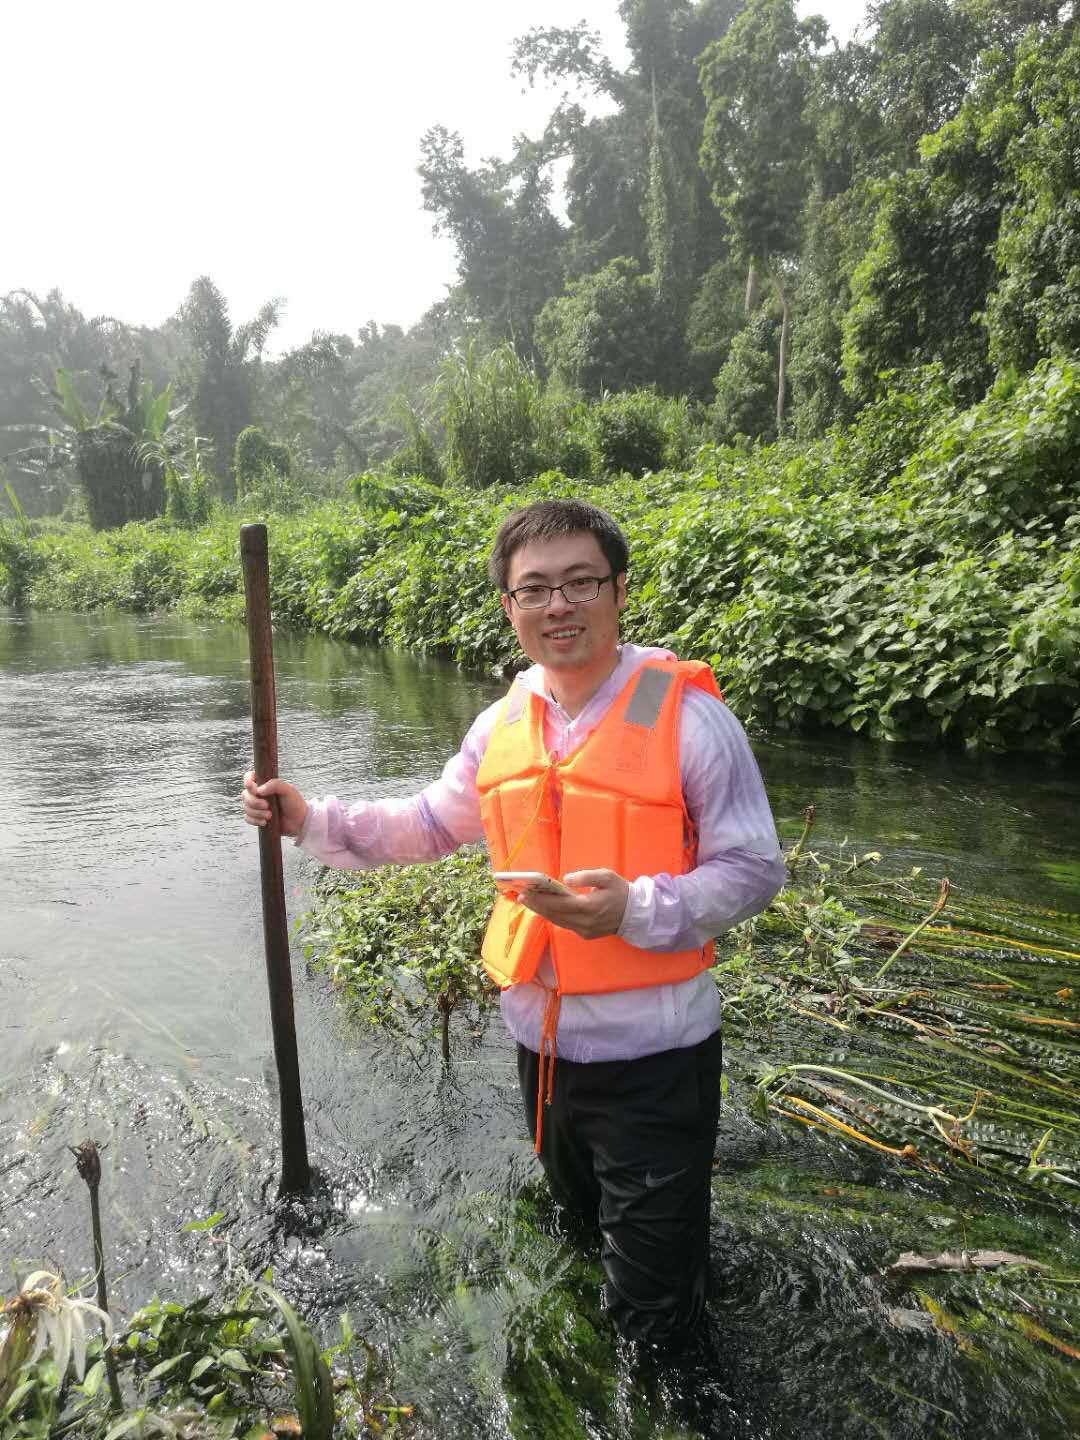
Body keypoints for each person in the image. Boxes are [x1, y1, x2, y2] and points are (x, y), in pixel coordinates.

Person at [242, 498, 785, 1347]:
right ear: (509, 606)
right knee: (579, 1233)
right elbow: (429, 824)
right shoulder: (503, 724)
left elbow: (753, 869)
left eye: (581, 583)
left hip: (657, 1060)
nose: (558, 605)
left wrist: (635, 909)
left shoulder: (688, 718)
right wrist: (311, 819)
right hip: (542, 1056)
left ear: (619, 591)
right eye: (535, 589)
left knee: (652, 1318)